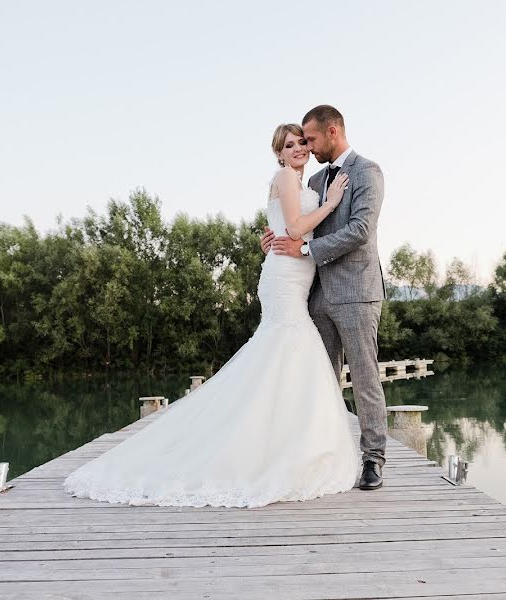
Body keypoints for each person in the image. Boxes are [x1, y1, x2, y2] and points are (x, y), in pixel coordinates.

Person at [62, 122, 360, 508]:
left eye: (303, 142)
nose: (299, 148)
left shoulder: (302, 185)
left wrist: (272, 235)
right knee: (288, 345)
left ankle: (278, 442)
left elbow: (283, 229)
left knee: (283, 354)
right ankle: (266, 447)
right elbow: (295, 227)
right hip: (285, 277)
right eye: (291, 144)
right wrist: (331, 204)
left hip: (294, 273)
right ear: (280, 153)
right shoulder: (286, 177)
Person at [262, 105, 388, 490]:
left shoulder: (368, 171)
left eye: (311, 139)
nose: (308, 146)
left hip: (356, 292)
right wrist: (268, 237)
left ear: (332, 132)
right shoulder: (313, 180)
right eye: (300, 141)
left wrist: (302, 251)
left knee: (365, 378)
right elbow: (294, 223)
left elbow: (360, 229)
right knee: (322, 380)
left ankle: (373, 458)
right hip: (315, 295)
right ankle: (329, 454)